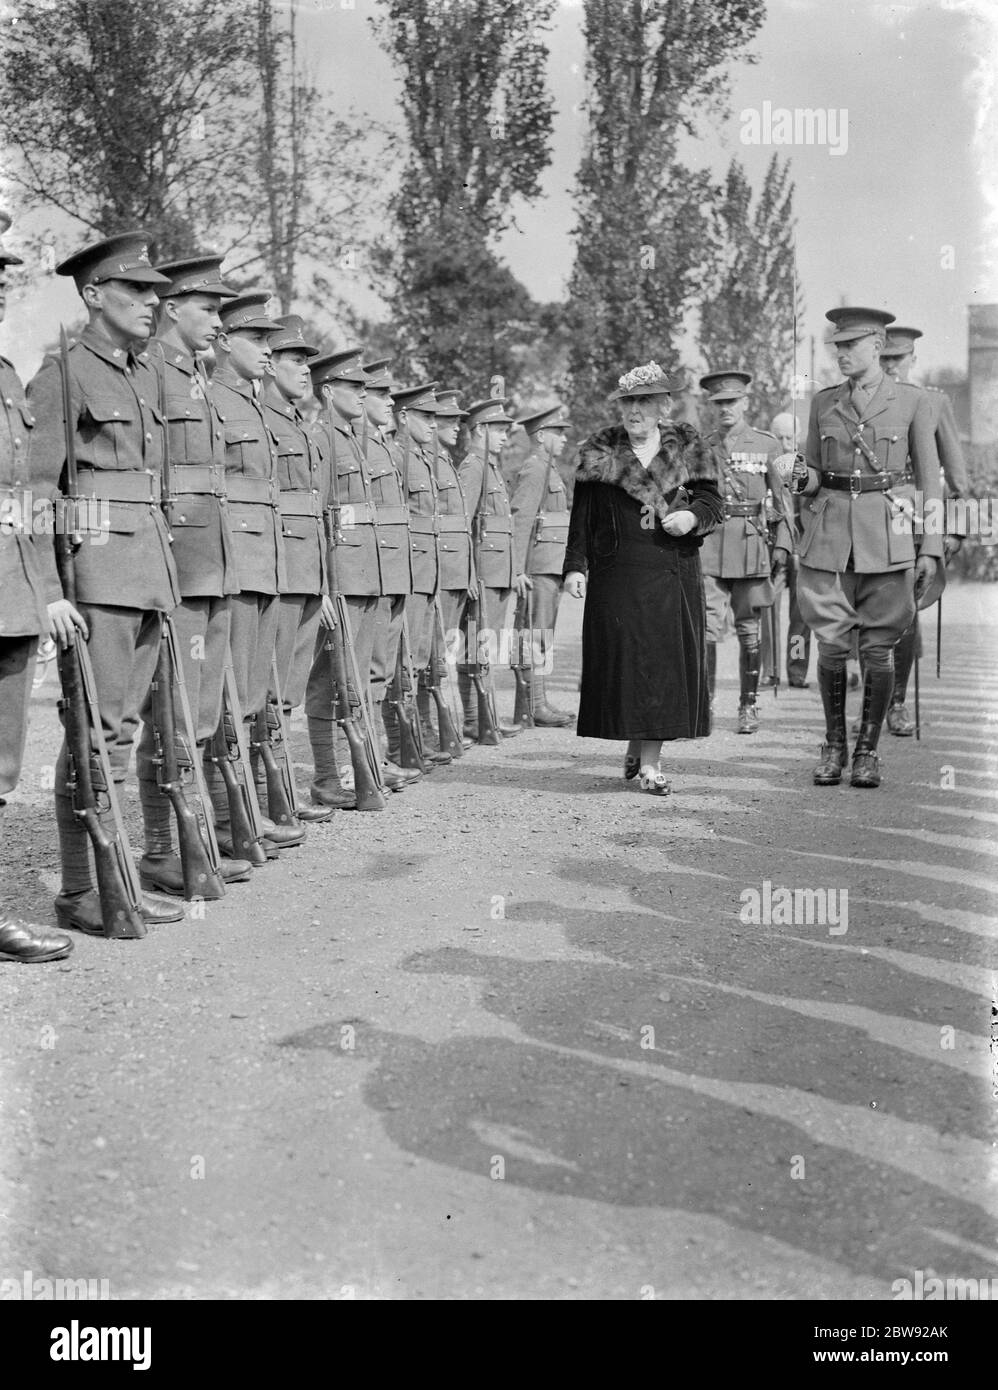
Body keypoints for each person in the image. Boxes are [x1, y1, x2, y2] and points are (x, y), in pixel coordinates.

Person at [28, 231, 183, 935]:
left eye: (155, 293)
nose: (152, 303)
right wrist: (47, 590)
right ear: (94, 295)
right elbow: (31, 491)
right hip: (94, 577)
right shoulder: (62, 375)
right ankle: (85, 889)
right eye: (136, 291)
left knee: (119, 733)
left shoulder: (143, 373)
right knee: (98, 735)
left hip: (147, 571)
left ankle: (110, 879)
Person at [135, 254, 253, 893]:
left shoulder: (199, 379)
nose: (217, 321)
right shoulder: (151, 372)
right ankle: (160, 848)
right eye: (207, 309)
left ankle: (196, 838)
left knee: (202, 714)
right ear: (171, 307)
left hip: (214, 567)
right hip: (175, 565)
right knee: (169, 714)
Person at [792, 307, 944, 789]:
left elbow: (929, 482)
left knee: (878, 651)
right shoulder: (823, 404)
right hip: (831, 539)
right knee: (833, 647)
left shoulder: (914, 402)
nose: (840, 353)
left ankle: (867, 751)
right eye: (837, 345)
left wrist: (932, 547)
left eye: (850, 345)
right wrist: (800, 477)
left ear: (877, 346)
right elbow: (814, 474)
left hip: (888, 536)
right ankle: (834, 745)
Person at [563, 361, 724, 794]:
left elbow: (713, 502)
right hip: (617, 578)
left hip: (672, 573)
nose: (634, 411)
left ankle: (650, 765)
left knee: (662, 669)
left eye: (644, 402)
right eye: (628, 402)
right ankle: (635, 742)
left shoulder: (690, 447)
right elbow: (582, 517)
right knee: (630, 667)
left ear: (663, 406)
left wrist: (692, 516)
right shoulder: (598, 452)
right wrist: (575, 567)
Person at [0, 223, 78, 961]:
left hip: (9, 598)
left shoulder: (4, 376)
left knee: (1, 764)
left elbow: (25, 498)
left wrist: (43, 589)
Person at [206, 291, 302, 853]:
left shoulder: (257, 410)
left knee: (254, 695)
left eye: (270, 342)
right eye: (257, 340)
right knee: (229, 696)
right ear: (224, 342)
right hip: (236, 565)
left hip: (268, 564)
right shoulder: (212, 400)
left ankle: (241, 814)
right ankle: (224, 819)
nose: (267, 351)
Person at [259, 315, 336, 820]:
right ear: (270, 365)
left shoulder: (300, 425)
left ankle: (280, 794)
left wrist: (324, 584)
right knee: (267, 691)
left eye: (308, 361)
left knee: (287, 690)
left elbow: (319, 511)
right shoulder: (260, 417)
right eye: (294, 360)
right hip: (279, 573)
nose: (305, 371)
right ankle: (264, 800)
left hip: (308, 574)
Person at [878, 326, 970, 736]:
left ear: (913, 358)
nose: (891, 366)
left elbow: (960, 479)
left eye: (898, 358)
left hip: (914, 524)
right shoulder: (859, 403)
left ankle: (896, 702)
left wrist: (958, 532)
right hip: (867, 523)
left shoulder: (933, 402)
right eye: (885, 358)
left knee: (906, 615)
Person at [699, 370, 794, 733]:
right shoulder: (702, 447)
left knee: (748, 627)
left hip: (751, 544)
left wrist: (783, 545)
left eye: (732, 402)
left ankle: (748, 706)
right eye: (719, 403)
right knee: (706, 627)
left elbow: (783, 502)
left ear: (745, 403)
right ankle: (703, 706)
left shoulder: (766, 445)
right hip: (709, 545)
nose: (726, 409)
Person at [457, 397, 521, 739]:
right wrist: (468, 572)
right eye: (497, 429)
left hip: (498, 571)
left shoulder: (490, 468)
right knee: (473, 647)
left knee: (485, 646)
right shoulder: (473, 468)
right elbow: (463, 524)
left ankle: (485, 717)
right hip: (483, 571)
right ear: (479, 431)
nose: (504, 436)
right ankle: (474, 718)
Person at [509, 404, 573, 728]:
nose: (564, 438)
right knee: (534, 635)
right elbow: (521, 519)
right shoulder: (535, 469)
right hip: (538, 567)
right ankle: (533, 706)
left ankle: (538, 702)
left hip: (551, 565)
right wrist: (517, 569)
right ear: (541, 436)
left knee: (542, 636)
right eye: (558, 433)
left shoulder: (550, 468)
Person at [769, 410, 811, 688]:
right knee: (767, 609)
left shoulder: (805, 466)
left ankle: (796, 672)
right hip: (771, 545)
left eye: (789, 437)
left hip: (801, 548)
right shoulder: (764, 464)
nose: (785, 443)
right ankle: (769, 670)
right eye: (779, 437)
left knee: (800, 616)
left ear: (798, 438)